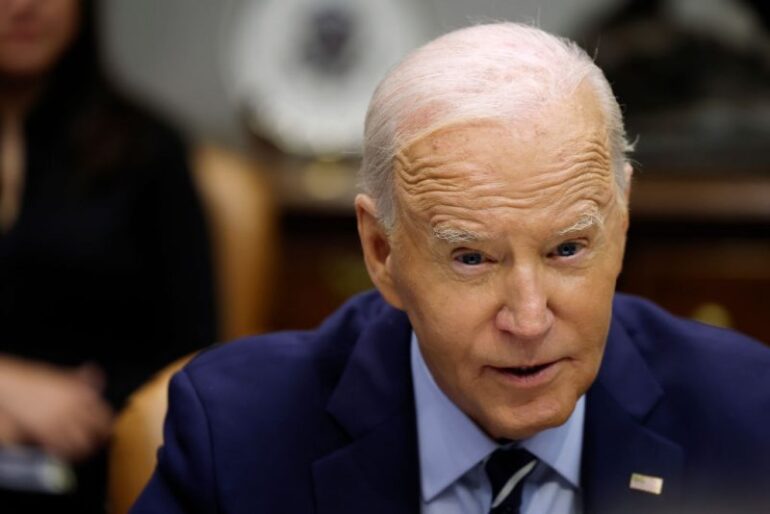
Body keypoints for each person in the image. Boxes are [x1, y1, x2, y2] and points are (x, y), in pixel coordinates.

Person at [131, 22, 770, 514]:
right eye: (471, 258)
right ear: (382, 252)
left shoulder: (747, 416)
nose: (528, 318)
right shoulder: (239, 434)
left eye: (567, 250)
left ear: (622, 220)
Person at [0, 0, 216, 511]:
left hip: (89, 458)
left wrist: (74, 408)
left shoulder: (147, 150)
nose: (25, 7)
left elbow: (192, 353)